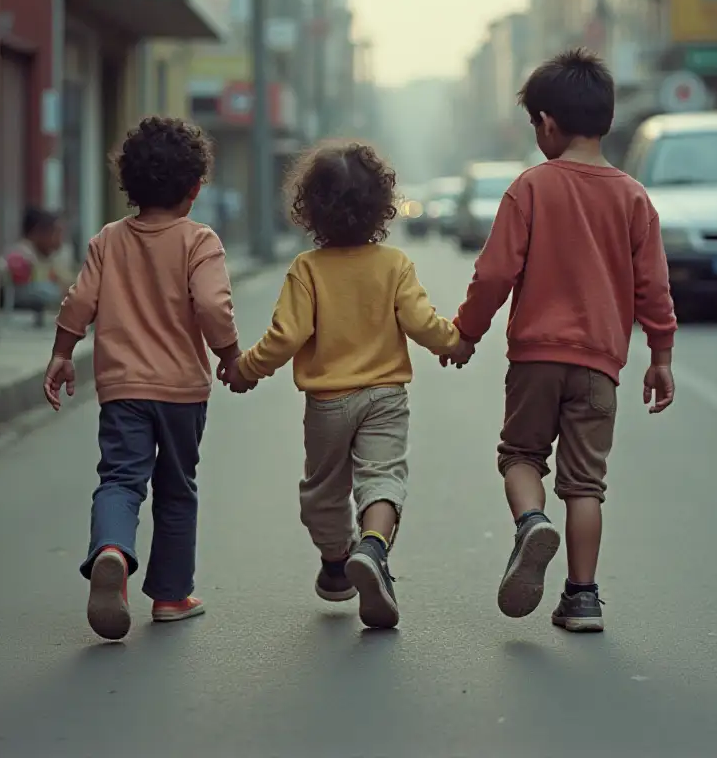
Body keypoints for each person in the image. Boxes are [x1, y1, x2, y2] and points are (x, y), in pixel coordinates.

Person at [449, 48, 677, 633]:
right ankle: (582, 598)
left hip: (535, 358)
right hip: (600, 363)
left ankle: (531, 523)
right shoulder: (632, 197)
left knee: (521, 456)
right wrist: (661, 356)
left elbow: (495, 274)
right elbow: (653, 286)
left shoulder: (530, 188)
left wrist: (466, 333)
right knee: (585, 484)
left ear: (547, 123)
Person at [220, 142, 472, 629]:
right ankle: (373, 549)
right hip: (385, 397)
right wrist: (452, 344)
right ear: (381, 205)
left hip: (328, 402)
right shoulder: (394, 264)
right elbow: (420, 322)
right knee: (382, 477)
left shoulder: (308, 270)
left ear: (310, 209)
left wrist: (246, 369)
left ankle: (337, 562)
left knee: (324, 490)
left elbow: (286, 336)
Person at [42, 117, 241, 642]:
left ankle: (111, 550)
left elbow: (78, 301)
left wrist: (63, 353)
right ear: (196, 187)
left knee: (120, 479)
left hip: (122, 389)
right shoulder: (200, 241)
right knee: (177, 490)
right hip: (181, 393)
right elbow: (213, 305)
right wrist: (230, 355)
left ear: (127, 182)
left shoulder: (109, 240)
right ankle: (173, 596)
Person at [5, 207, 74, 315]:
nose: (60, 241)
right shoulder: (20, 258)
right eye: (56, 233)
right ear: (39, 232)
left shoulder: (43, 258)